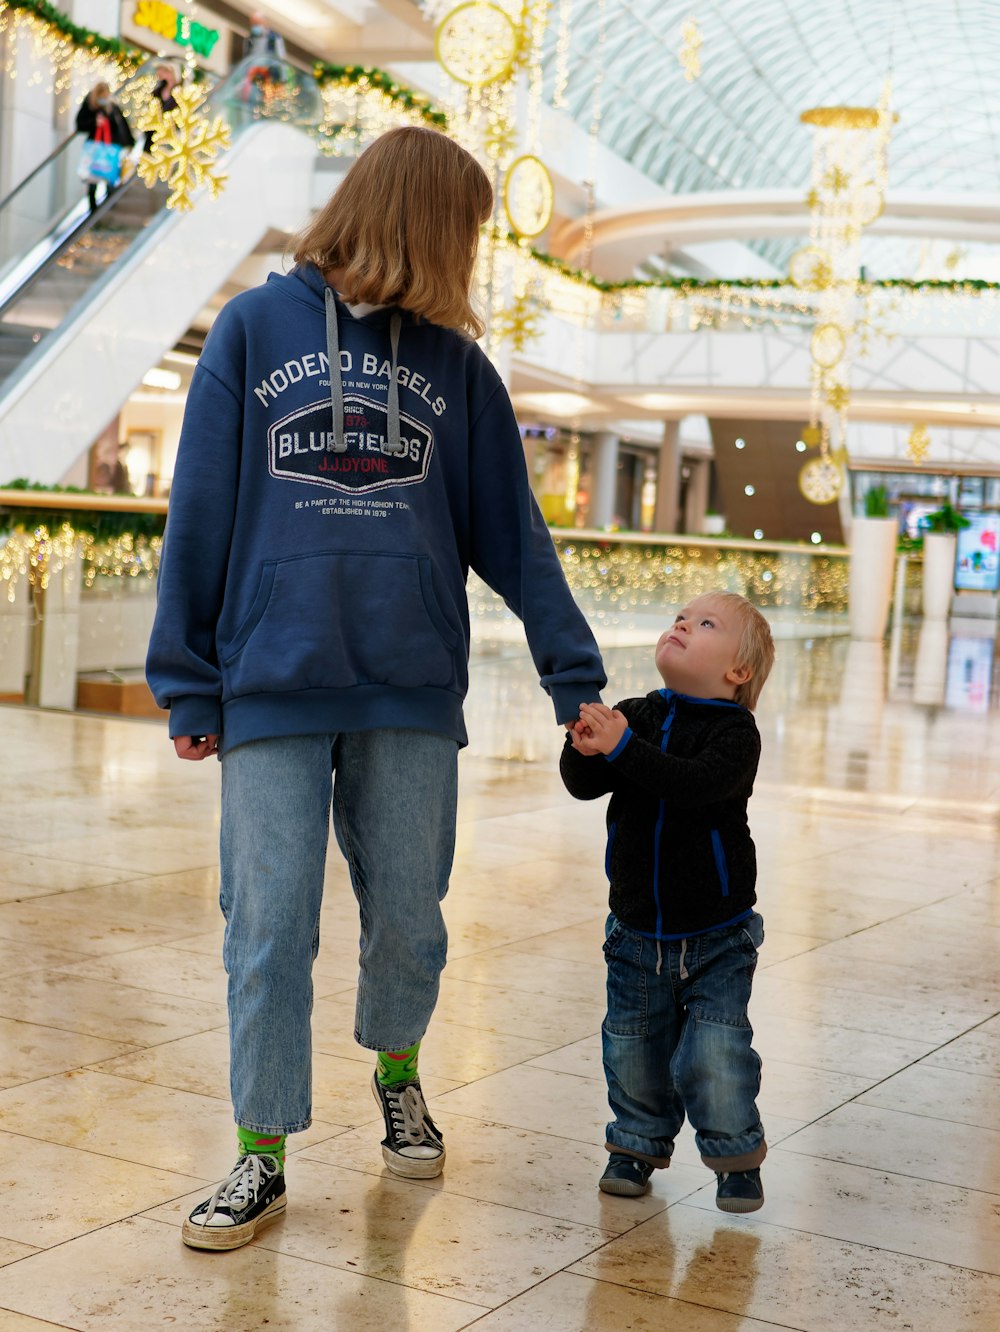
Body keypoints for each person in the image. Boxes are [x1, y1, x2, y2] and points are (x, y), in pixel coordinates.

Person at [145, 125, 606, 1252]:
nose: (469, 257)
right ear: (421, 222)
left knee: (410, 916)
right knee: (267, 928)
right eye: (464, 233)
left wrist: (572, 675)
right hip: (270, 681)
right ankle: (260, 1152)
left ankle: (397, 1071)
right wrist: (187, 682)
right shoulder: (254, 332)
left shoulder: (457, 368)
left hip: (407, 685)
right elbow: (197, 511)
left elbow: (513, 535)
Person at [560, 590, 775, 1213]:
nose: (682, 623)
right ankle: (635, 1144)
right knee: (632, 1047)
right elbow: (584, 785)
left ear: (738, 672)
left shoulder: (736, 735)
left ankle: (735, 1157)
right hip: (634, 930)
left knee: (717, 1050)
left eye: (705, 623)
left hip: (716, 933)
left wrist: (624, 748)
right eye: (679, 616)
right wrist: (585, 745)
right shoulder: (638, 713)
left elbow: (694, 787)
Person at [75, 81, 135, 213]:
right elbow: (80, 124)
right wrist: (95, 122)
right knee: (93, 178)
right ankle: (93, 209)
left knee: (110, 176)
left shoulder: (113, 107)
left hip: (111, 148)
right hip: (96, 147)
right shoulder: (90, 106)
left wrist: (129, 143)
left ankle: (108, 206)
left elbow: (121, 126)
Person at [143, 64, 178, 152]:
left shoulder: (179, 93)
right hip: (152, 130)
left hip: (166, 133)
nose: (159, 76)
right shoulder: (158, 90)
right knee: (146, 153)